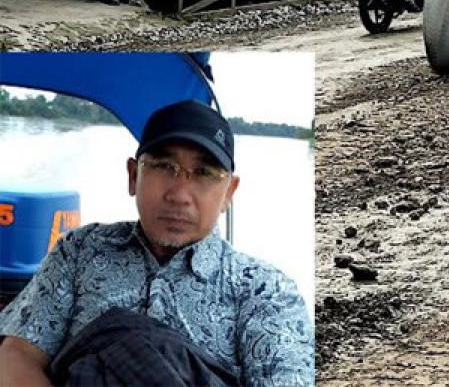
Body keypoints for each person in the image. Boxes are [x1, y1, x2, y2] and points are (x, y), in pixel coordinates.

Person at [0, 100, 313, 386]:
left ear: (229, 193)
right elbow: (16, 355)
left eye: (204, 172)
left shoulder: (264, 290)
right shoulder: (79, 250)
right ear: (133, 175)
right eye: (164, 166)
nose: (178, 195)